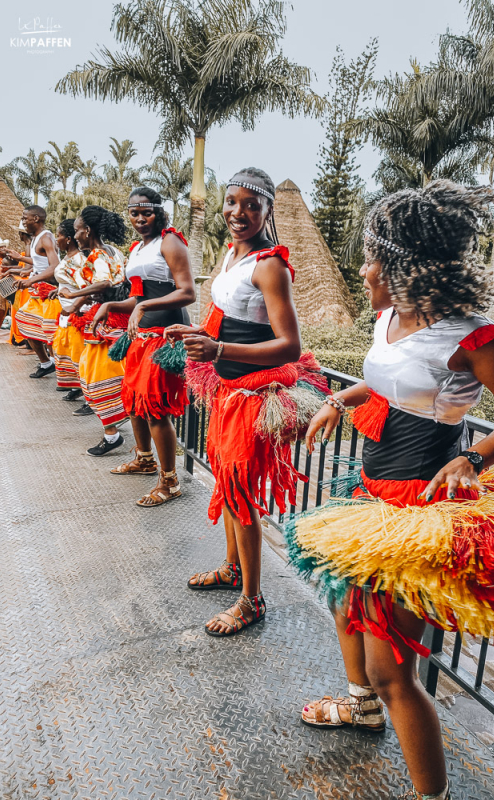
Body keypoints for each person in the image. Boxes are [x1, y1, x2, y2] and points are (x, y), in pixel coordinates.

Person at [288, 181, 494, 800]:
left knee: (394, 669)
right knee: (345, 606)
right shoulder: (390, 316)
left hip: (419, 509)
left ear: (402, 268)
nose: (363, 271)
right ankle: (361, 710)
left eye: (371, 260)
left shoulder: (472, 339)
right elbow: (389, 384)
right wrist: (340, 398)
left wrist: (473, 456)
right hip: (369, 496)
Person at [165, 167, 328, 637]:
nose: (239, 213)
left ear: (267, 211)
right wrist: (197, 334)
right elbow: (229, 318)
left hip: (252, 397)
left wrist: (219, 351)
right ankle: (234, 569)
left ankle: (252, 599)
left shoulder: (269, 265)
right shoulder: (234, 255)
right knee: (228, 484)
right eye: (232, 202)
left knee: (241, 497)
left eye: (251, 205)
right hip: (227, 392)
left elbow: (290, 347)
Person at [93, 186, 195, 505]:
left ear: (158, 211)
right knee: (134, 401)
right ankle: (144, 459)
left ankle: (170, 482)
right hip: (141, 336)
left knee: (154, 408)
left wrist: (144, 307)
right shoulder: (139, 247)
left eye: (146, 212)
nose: (139, 219)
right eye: (134, 213)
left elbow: (187, 291)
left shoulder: (170, 240)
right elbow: (140, 296)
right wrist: (111, 307)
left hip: (166, 336)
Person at [60, 205, 129, 456]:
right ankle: (114, 428)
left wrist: (74, 293)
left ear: (87, 231)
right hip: (114, 318)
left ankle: (112, 435)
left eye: (77, 230)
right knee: (103, 374)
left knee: (95, 377)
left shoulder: (98, 255)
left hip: (105, 320)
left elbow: (105, 282)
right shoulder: (115, 252)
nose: (75, 235)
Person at [12, 205, 60, 377]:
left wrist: (32, 279)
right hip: (38, 290)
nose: (23, 221)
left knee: (51, 332)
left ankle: (60, 367)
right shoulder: (36, 239)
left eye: (25, 218)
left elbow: (55, 266)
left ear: (36, 219)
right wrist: (22, 261)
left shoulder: (46, 238)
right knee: (24, 321)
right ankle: (47, 363)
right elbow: (39, 260)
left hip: (51, 292)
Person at [52, 219, 88, 400]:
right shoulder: (68, 258)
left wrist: (75, 307)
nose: (55, 239)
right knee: (68, 352)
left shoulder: (78, 261)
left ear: (68, 239)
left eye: (58, 235)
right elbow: (68, 282)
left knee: (80, 355)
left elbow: (87, 289)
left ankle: (91, 397)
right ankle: (78, 386)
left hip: (78, 315)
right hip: (69, 315)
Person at [2, 223, 33, 347]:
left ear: (21, 234)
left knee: (25, 315)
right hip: (26, 284)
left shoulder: (29, 245)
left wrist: (10, 270)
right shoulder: (28, 246)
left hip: (29, 286)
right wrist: (10, 270)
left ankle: (28, 343)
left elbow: (27, 269)